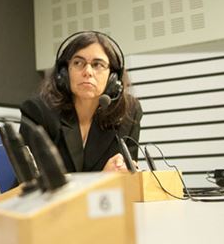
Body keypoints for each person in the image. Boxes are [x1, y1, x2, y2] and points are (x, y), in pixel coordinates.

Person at [19, 31, 143, 173]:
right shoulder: (38, 111)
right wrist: (101, 179)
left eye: (98, 65)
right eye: (78, 63)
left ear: (113, 78)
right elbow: (35, 180)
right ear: (64, 73)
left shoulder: (128, 112)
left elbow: (127, 177)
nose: (88, 72)